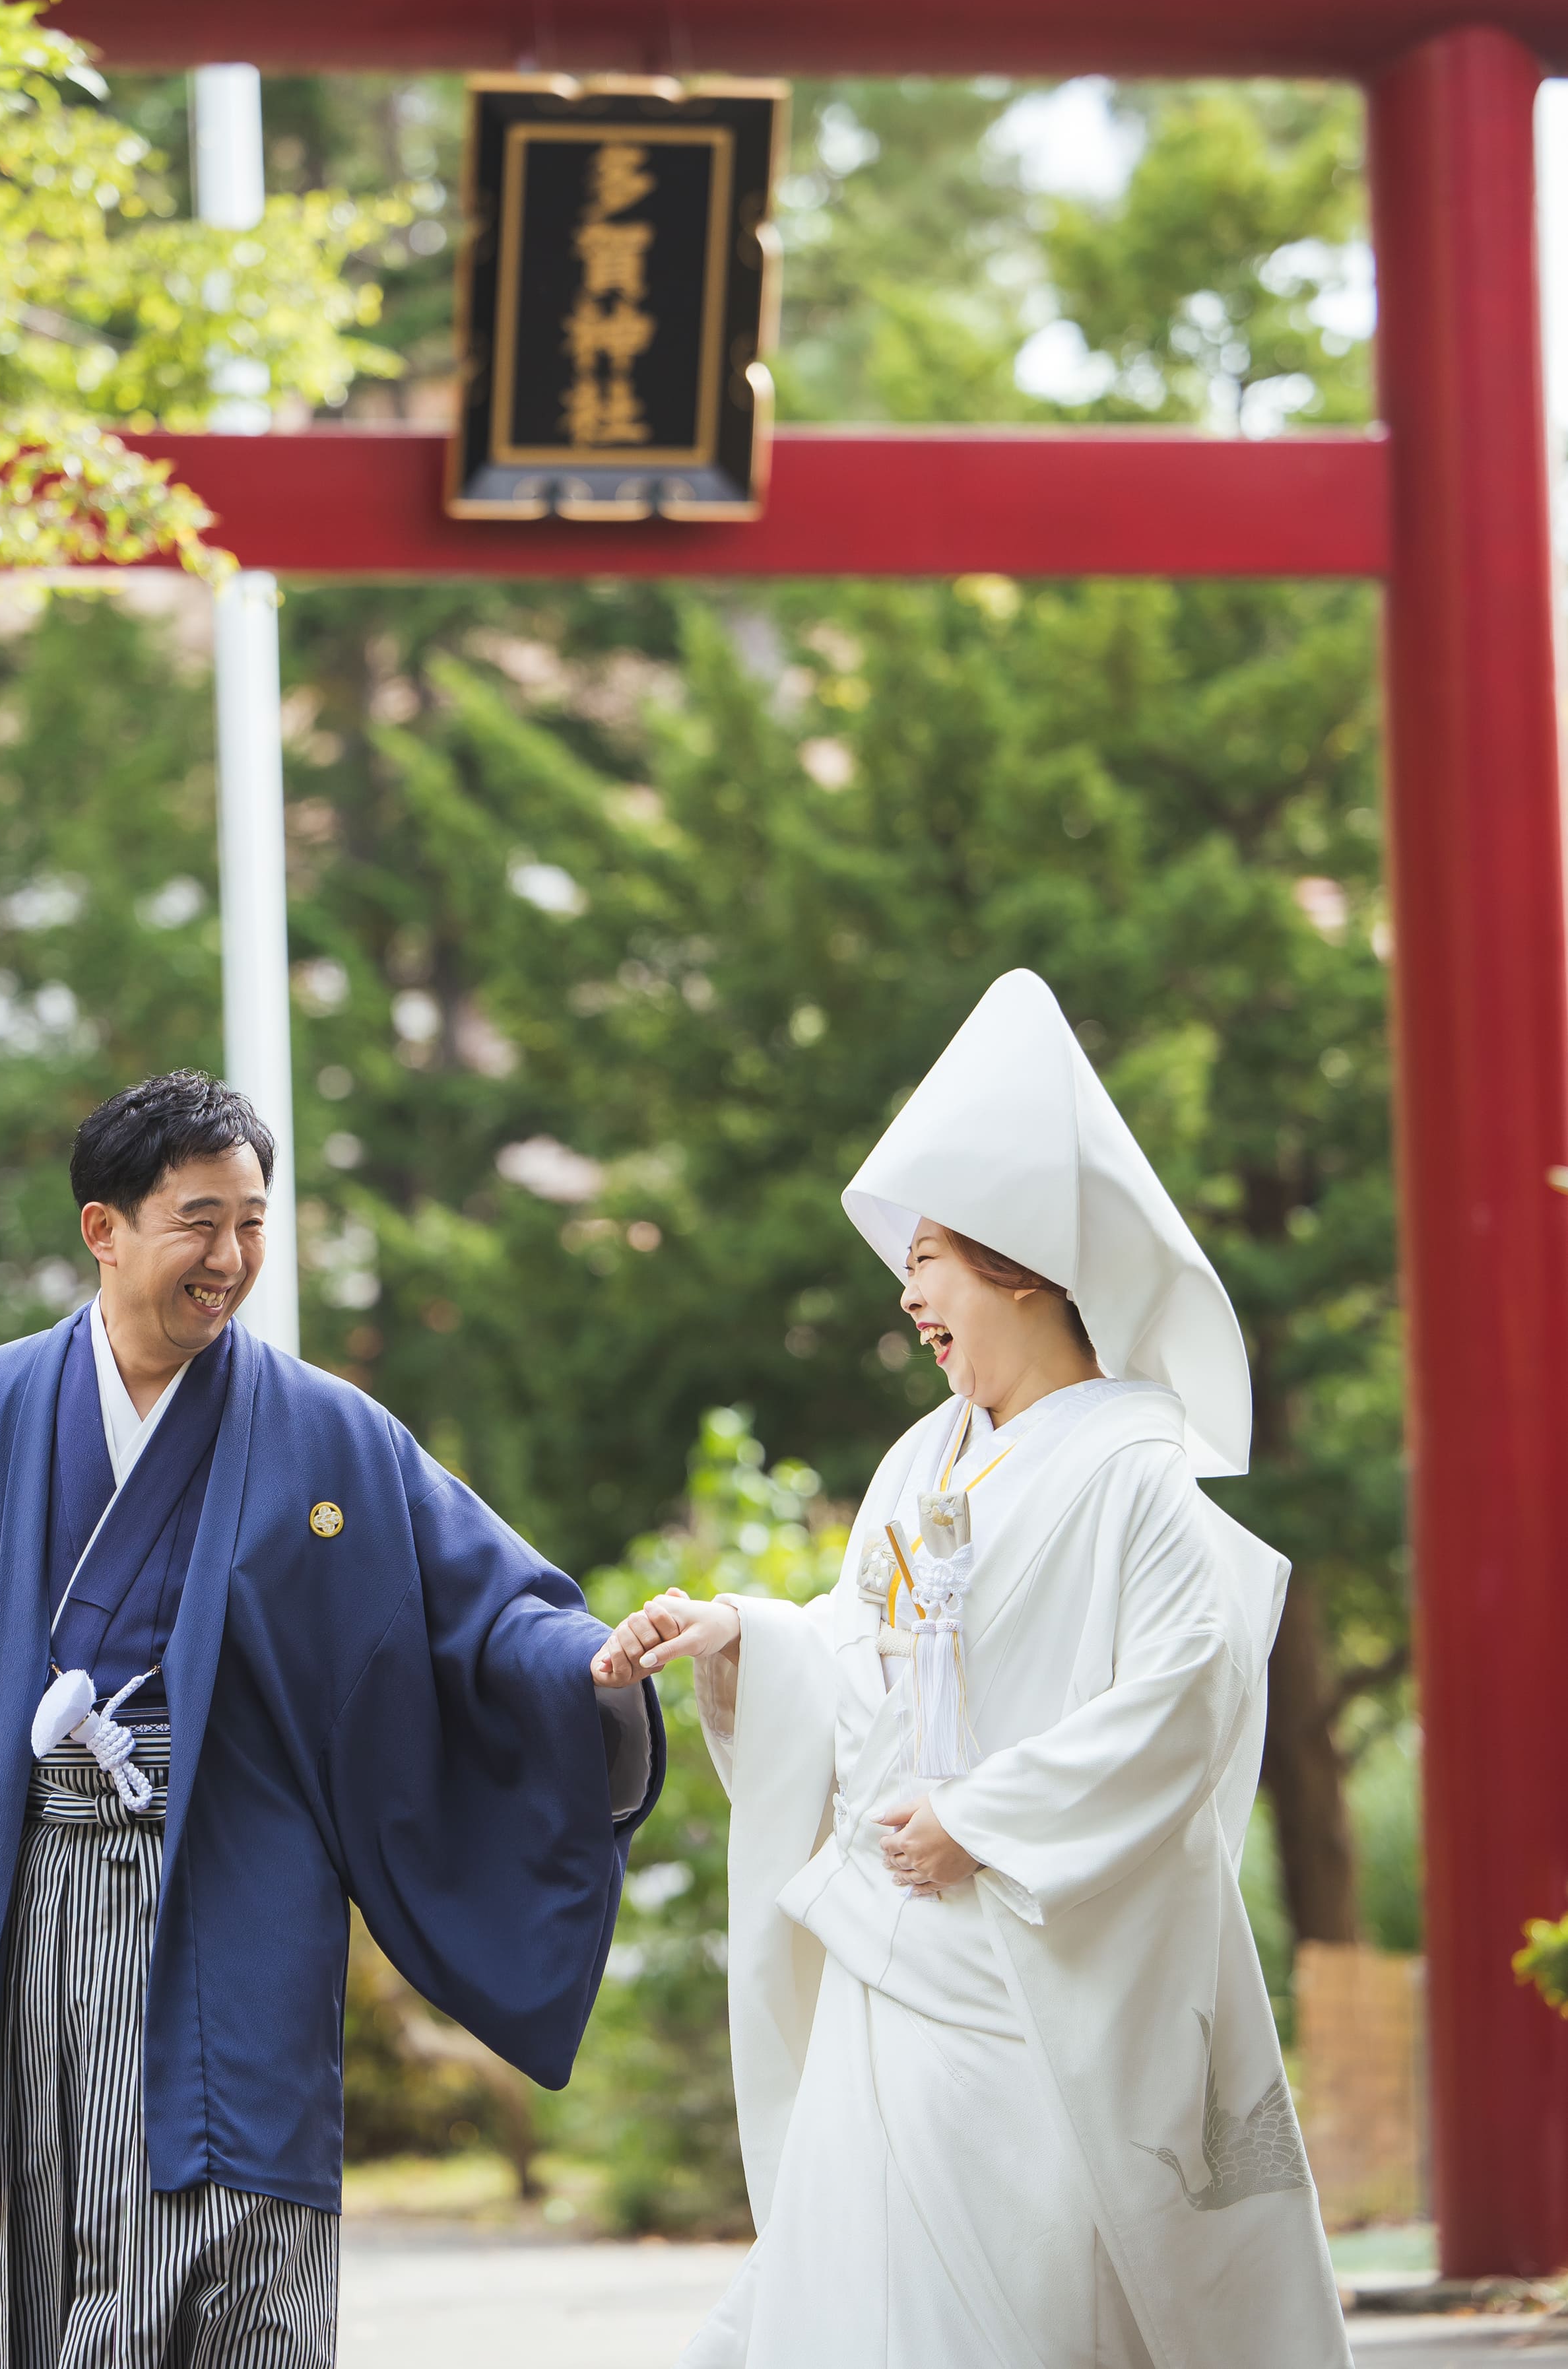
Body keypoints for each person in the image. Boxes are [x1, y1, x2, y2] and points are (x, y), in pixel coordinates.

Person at [0, 1071, 660, 2369]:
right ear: (104, 1229)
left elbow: (480, 1603)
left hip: (240, 1865)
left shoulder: (329, 1431)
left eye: (252, 1220)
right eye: (200, 1220)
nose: (231, 1256)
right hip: (33, 1878)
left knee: (246, 2189)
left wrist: (592, 1669)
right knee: (47, 2189)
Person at [591, 970, 1351, 2369]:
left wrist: (985, 1821)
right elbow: (867, 1651)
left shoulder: (1139, 1469)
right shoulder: (916, 1458)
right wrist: (750, 1635)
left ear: (1017, 1258)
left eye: (930, 1255)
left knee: (1021, 2307)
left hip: (1029, 1968)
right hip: (896, 1943)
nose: (910, 1293)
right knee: (851, 2290)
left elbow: (1190, 1696)